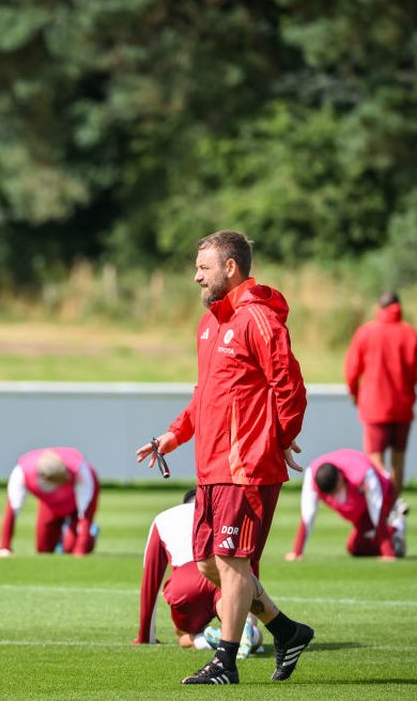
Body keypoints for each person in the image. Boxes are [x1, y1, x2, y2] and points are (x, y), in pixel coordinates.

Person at [136, 230, 314, 684]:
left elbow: (289, 386)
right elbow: (205, 396)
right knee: (208, 565)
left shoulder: (259, 318)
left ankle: (225, 662)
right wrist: (172, 437)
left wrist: (279, 438)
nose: (196, 276)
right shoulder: (210, 324)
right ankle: (285, 630)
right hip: (211, 467)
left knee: (232, 563)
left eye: (203, 267)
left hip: (246, 467)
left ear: (230, 268)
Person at [134, 489, 263, 657]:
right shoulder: (226, 510)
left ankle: (202, 639)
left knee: (182, 634)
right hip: (226, 572)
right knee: (237, 617)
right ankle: (252, 635)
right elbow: (249, 562)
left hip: (186, 581)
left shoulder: (164, 517)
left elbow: (150, 582)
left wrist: (145, 636)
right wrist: (252, 615)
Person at [344, 291, 417, 493]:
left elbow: (351, 370)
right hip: (403, 408)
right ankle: (394, 508)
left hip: (374, 407)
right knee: (399, 461)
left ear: (379, 308)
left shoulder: (366, 332)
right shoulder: (410, 334)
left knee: (374, 459)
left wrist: (355, 393)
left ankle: (381, 506)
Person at [284, 449, 405, 562]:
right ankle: (394, 539)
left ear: (340, 477)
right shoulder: (311, 476)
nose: (335, 497)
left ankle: (396, 526)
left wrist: (387, 553)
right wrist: (297, 551)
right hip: (361, 508)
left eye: (336, 490)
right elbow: (307, 514)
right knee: (356, 548)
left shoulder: (362, 473)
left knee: (365, 542)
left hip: (383, 496)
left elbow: (376, 509)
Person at [0, 447, 99, 557]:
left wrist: (80, 549)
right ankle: (64, 534)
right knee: (44, 549)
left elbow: (85, 512)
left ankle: (91, 533)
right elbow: (12, 509)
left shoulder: (81, 471)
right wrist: (4, 547)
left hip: (75, 503)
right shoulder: (21, 472)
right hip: (50, 504)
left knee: (71, 548)